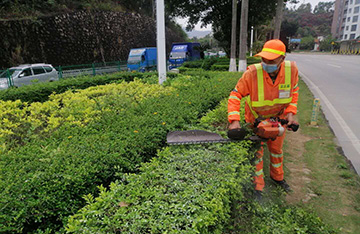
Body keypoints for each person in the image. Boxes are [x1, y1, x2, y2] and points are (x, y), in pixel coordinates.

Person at [227, 39, 299, 199]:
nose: (266, 63)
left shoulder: (291, 70)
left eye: (271, 60)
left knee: (277, 151)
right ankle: (258, 188)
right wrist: (234, 121)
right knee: (257, 154)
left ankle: (278, 178)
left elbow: (294, 93)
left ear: (282, 58)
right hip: (256, 121)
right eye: (263, 59)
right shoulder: (252, 73)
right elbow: (235, 95)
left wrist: (290, 114)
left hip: (278, 120)